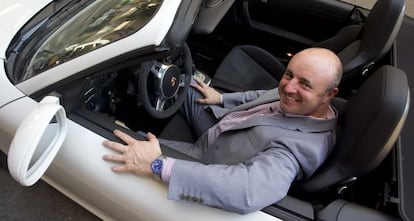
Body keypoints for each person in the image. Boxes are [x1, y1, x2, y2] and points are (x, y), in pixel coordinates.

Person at [102, 47, 343, 214]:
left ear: (330, 95)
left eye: (304, 84)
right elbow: (264, 96)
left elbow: (247, 191)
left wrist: (157, 164)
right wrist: (222, 99)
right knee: (186, 85)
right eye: (289, 74)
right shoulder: (301, 98)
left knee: (132, 146)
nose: (288, 87)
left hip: (206, 158)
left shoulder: (300, 150)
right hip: (222, 125)